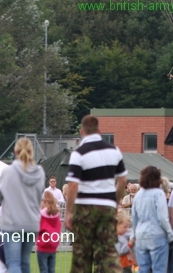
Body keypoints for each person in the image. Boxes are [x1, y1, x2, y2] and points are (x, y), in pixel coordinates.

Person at [66, 115, 128, 272]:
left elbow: (73, 185)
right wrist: (115, 202)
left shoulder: (79, 153)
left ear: (82, 131)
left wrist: (68, 212)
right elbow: (122, 180)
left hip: (85, 207)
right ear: (99, 131)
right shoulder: (114, 150)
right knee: (107, 252)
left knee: (82, 255)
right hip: (107, 206)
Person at [0, 138, 45, 273]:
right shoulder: (39, 172)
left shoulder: (8, 172)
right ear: (31, 152)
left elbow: (0, 196)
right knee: (25, 262)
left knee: (13, 263)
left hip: (12, 223)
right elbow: (39, 195)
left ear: (15, 152)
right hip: (31, 223)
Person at [129, 166, 173, 272]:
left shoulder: (138, 195)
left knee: (143, 269)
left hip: (141, 236)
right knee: (158, 269)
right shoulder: (158, 194)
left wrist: (134, 236)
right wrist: (170, 234)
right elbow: (163, 218)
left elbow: (134, 219)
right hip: (157, 235)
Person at [36, 191, 61, 273]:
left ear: (44, 201)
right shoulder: (57, 214)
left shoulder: (41, 214)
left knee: (43, 270)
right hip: (53, 245)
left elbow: (37, 228)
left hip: (43, 245)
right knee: (51, 270)